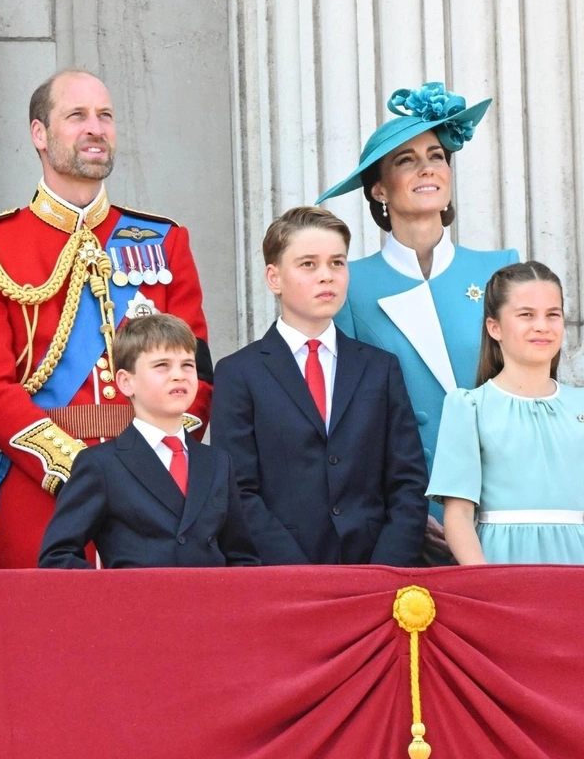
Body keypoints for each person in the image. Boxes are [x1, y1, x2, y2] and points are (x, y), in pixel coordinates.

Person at [0, 69, 213, 568]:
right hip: (41, 495)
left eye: (105, 115)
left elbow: (199, 375)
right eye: (77, 116)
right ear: (39, 134)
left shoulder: (164, 241)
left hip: (157, 498)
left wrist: (149, 466)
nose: (96, 127)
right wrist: (85, 471)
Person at [316, 82, 518, 548]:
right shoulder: (349, 284)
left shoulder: (498, 268)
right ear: (380, 188)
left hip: (501, 507)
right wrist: (402, 514)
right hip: (407, 517)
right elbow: (349, 420)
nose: (428, 168)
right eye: (406, 160)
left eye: (437, 155)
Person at [211, 206, 428, 565]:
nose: (326, 276)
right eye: (308, 264)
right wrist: (299, 574)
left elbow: (407, 482)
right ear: (274, 278)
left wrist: (385, 569)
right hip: (281, 575)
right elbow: (238, 489)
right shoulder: (239, 373)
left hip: (375, 573)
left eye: (337, 263)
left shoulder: (379, 368)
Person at [39, 314, 258, 569]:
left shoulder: (218, 462)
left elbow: (242, 558)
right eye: (162, 365)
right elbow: (58, 556)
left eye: (187, 365)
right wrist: (116, 597)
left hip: (211, 606)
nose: (179, 375)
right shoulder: (101, 464)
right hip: (136, 606)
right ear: (126, 381)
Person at [428, 262, 584, 564]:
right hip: (502, 565)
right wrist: (486, 585)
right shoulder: (470, 407)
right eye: (526, 315)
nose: (542, 326)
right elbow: (458, 514)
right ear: (494, 327)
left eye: (553, 314)